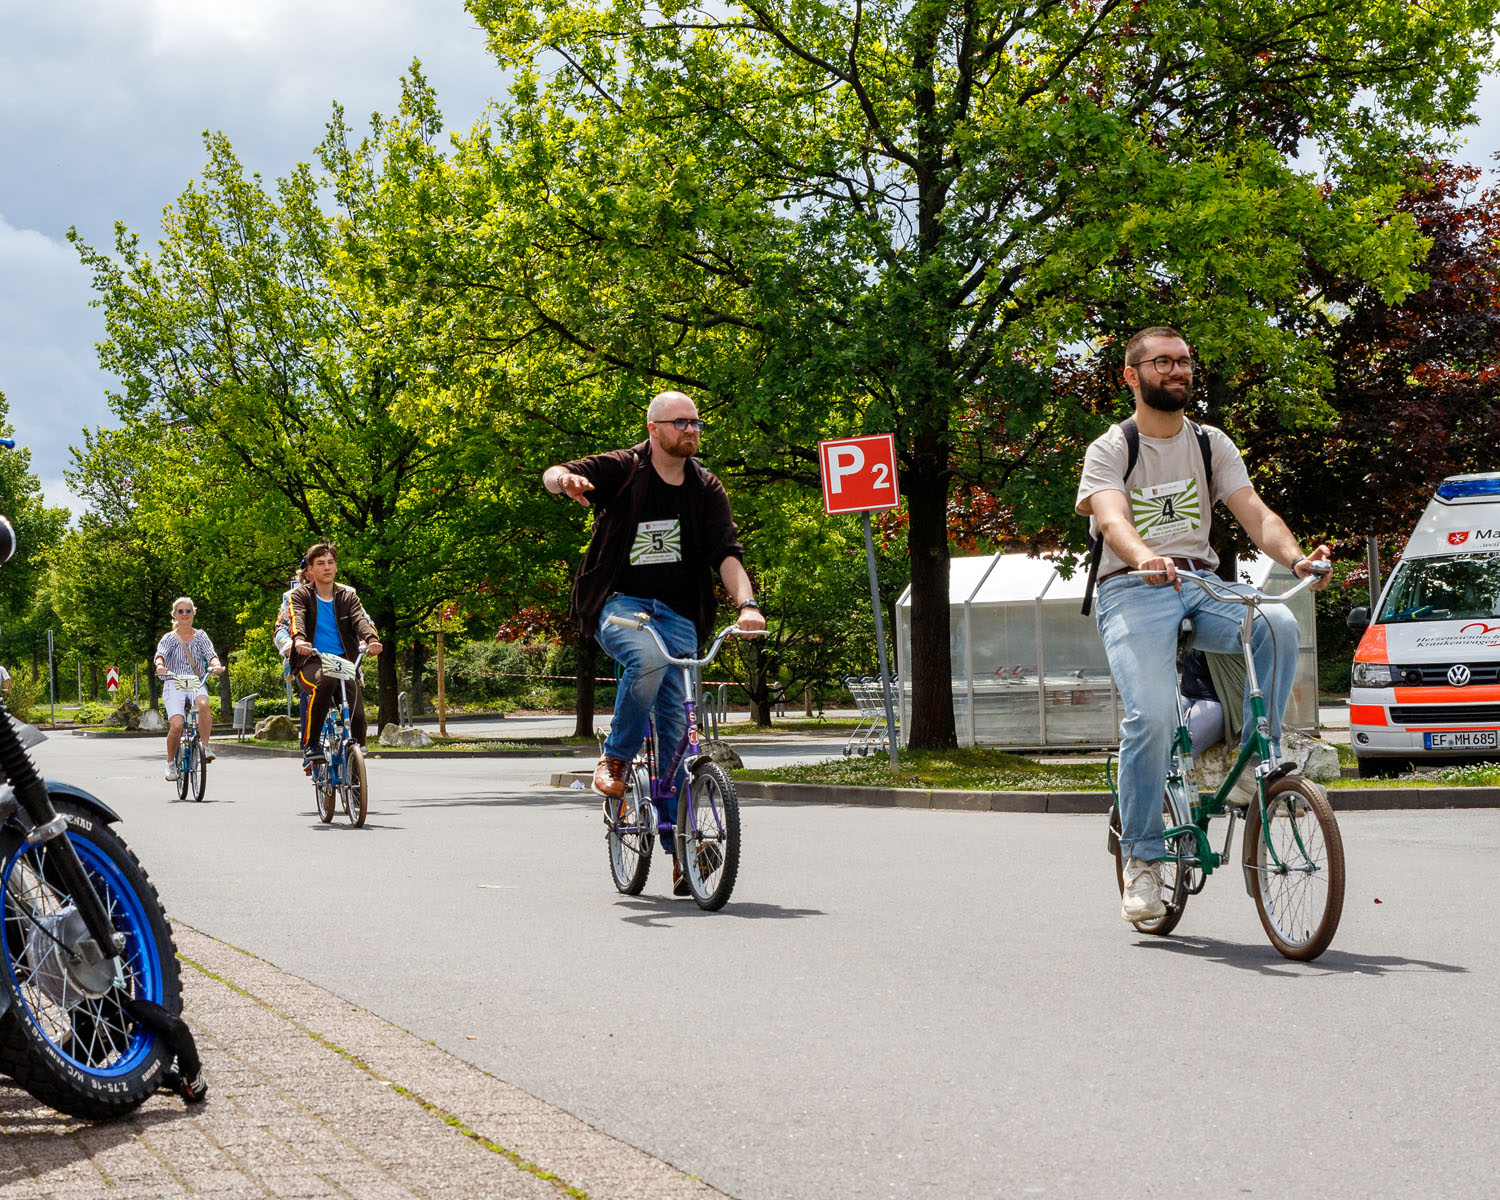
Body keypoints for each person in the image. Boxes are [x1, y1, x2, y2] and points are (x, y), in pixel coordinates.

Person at [1075, 326, 1331, 925]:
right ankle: (1141, 858)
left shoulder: (1212, 443)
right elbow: (1111, 518)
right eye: (1161, 362)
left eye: (1184, 361)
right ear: (1131, 375)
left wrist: (1297, 559)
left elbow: (1255, 513)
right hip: (1133, 586)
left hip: (1200, 583)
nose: (1177, 371)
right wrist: (1143, 558)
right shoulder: (1112, 447)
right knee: (1153, 715)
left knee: (1276, 622)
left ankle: (1253, 763)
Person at [543, 391, 765, 891]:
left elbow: (726, 553)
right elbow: (554, 472)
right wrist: (565, 481)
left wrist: (746, 605)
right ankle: (616, 756)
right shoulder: (624, 468)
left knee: (679, 742)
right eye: (681, 422)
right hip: (622, 605)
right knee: (644, 661)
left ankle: (685, 852)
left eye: (697, 423)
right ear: (654, 428)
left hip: (681, 615)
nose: (691, 430)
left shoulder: (706, 486)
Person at [285, 543, 382, 768]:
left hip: (343, 660)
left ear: (336, 567)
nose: (327, 568)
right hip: (312, 659)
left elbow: (360, 619)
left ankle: (354, 760)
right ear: (310, 570)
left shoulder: (347, 596)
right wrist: (299, 639)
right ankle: (312, 745)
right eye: (320, 563)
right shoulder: (300, 595)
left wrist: (372, 640)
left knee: (356, 714)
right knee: (325, 681)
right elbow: (297, 617)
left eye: (330, 562)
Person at [153, 597, 225, 780]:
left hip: (194, 680)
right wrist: (160, 666)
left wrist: (216, 665)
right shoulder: (169, 638)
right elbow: (160, 655)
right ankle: (170, 763)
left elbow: (211, 654)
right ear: (174, 615)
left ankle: (206, 747)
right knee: (177, 724)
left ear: (193, 613)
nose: (184, 614)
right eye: (180, 611)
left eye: (188, 611)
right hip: (173, 680)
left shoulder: (201, 636)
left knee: (203, 704)